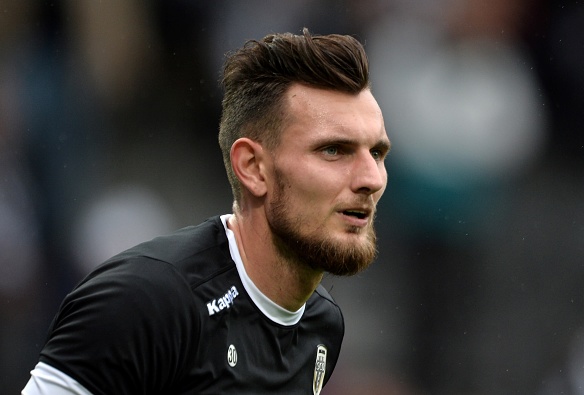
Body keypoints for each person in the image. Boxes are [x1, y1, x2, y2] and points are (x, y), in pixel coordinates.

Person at [22, 28, 390, 395]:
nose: (371, 179)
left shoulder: (322, 325)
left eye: (376, 153)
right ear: (253, 167)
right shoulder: (145, 302)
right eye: (333, 150)